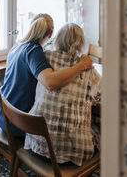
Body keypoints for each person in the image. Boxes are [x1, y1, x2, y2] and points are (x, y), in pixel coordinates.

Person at [0, 14, 93, 137]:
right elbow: (50, 83)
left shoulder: (17, 45)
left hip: (4, 116)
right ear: (51, 34)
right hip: (18, 124)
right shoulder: (33, 51)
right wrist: (82, 65)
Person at [24, 23, 101, 166]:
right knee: (101, 133)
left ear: (57, 39)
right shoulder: (87, 69)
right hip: (68, 154)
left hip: (36, 142)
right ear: (81, 43)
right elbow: (101, 93)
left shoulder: (45, 57)